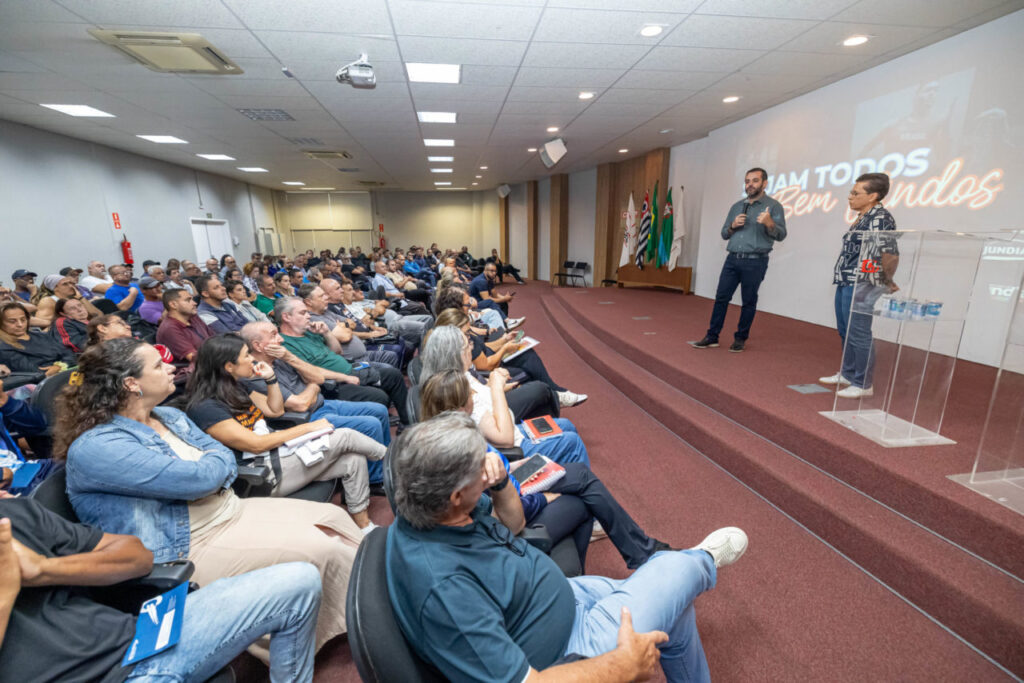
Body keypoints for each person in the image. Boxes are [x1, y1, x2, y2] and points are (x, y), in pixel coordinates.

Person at [387, 413, 748, 682]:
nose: (488, 465)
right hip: (567, 647)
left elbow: (514, 525)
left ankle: (683, 571)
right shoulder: (444, 590)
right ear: (454, 495)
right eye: (479, 466)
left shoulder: (433, 506)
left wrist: (498, 483)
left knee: (676, 607)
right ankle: (702, 560)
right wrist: (621, 666)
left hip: (561, 597)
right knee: (677, 571)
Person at [58, 338, 365, 655]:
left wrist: (211, 472)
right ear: (131, 383)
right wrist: (211, 471)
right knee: (323, 549)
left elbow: (223, 458)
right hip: (188, 543)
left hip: (227, 509)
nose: (171, 368)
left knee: (334, 517)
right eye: (158, 366)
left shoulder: (169, 416)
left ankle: (369, 598)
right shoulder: (98, 447)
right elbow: (198, 479)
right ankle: (371, 622)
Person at [0, 498, 323, 682]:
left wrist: (45, 569)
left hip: (138, 640)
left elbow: (138, 557)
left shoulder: (15, 516)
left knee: (299, 581)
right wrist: (7, 590)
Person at [421, 370, 674, 570]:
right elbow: (498, 511)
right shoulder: (462, 448)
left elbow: (495, 474)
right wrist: (543, 498)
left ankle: (642, 552)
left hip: (511, 481)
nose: (474, 397)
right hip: (510, 505)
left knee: (580, 474)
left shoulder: (443, 433)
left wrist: (521, 465)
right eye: (470, 394)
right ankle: (641, 552)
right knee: (582, 493)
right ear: (458, 406)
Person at [185, 334, 385, 531]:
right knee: (346, 436)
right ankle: (394, 463)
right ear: (229, 366)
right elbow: (255, 444)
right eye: (246, 355)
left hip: (278, 455)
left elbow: (275, 410)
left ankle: (364, 527)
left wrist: (270, 379)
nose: (252, 359)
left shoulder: (238, 386)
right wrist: (307, 428)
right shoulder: (205, 407)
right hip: (262, 473)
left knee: (353, 459)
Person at [420, 325, 589, 466]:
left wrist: (497, 384)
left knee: (566, 425)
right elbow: (506, 440)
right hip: (513, 446)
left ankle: (566, 479)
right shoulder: (457, 392)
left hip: (513, 428)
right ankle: (579, 482)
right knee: (573, 443)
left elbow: (485, 395)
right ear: (456, 355)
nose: (471, 348)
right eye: (467, 345)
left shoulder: (462, 375)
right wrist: (497, 388)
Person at [821, 173, 900, 399]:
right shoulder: (863, 217)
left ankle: (863, 383)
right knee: (845, 330)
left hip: (863, 282)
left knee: (858, 332)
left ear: (873, 196)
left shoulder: (880, 218)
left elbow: (890, 253)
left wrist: (885, 280)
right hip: (847, 279)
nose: (850, 196)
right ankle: (848, 374)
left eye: (856, 193)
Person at [692, 167, 787, 353]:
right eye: (747, 181)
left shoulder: (774, 206)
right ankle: (712, 336)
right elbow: (724, 233)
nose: (750, 185)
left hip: (755, 261)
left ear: (764, 183)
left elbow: (781, 235)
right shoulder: (736, 206)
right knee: (721, 297)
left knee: (748, 301)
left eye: (755, 181)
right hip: (732, 259)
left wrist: (770, 224)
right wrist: (733, 226)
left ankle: (740, 338)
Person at [276, 297, 411, 426]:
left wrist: (326, 333)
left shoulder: (310, 332)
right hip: (332, 385)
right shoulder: (285, 344)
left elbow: (337, 351)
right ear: (286, 317)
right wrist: (346, 377)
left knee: (393, 375)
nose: (308, 316)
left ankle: (407, 423)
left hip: (351, 368)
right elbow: (310, 371)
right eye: (303, 313)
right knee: (380, 397)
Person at [429, 309, 562, 420]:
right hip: (491, 401)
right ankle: (555, 395)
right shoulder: (456, 369)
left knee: (531, 376)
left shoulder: (460, 357)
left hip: (488, 386)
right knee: (539, 387)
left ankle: (552, 403)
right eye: (467, 333)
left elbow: (484, 353)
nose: (470, 338)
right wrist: (498, 385)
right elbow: (485, 370)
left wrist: (504, 340)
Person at [299, 284, 400, 369]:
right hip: (351, 362)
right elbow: (345, 337)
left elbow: (352, 322)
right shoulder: (314, 319)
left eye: (325, 295)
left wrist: (342, 326)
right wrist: (346, 327)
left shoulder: (326, 312)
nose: (326, 298)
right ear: (308, 302)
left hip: (363, 354)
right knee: (389, 368)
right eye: (321, 296)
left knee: (392, 356)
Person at [0, 302, 76, 375]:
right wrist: (61, 365)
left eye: (23, 320)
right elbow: (34, 372)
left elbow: (70, 354)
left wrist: (59, 366)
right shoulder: (4, 347)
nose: (20, 324)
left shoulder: (42, 335)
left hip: (66, 374)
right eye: (12, 321)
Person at [32, 274, 102, 327]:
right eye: (65, 284)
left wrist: (80, 298)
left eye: (71, 283)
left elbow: (99, 316)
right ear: (55, 288)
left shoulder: (75, 300)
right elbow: (41, 322)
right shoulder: (48, 301)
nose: (71, 286)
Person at [470, 262, 523, 326]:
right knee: (490, 302)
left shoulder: (489, 279)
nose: (494, 273)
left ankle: (505, 325)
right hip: (474, 305)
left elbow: (495, 294)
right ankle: (507, 321)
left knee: (503, 303)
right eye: (492, 271)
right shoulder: (481, 281)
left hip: (482, 301)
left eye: (495, 271)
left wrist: (505, 298)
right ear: (485, 270)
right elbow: (486, 299)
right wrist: (504, 299)